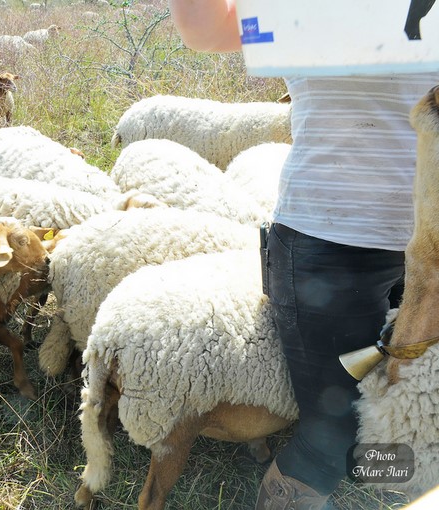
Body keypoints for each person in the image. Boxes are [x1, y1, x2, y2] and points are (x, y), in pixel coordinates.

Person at [169, 1, 439, 509]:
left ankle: (387, 480)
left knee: (409, 398)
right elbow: (204, 28)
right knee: (332, 430)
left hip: (431, 248)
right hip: (330, 245)